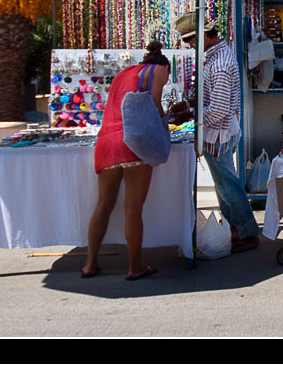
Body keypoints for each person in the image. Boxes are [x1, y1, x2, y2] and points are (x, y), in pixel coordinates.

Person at [83, 41, 171, 280]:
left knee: (104, 204)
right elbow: (154, 104)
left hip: (106, 142)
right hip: (132, 143)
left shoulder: (123, 73)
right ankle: (135, 266)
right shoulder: (158, 70)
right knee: (133, 208)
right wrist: (167, 119)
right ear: (166, 66)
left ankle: (90, 263)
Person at [169, 26, 259, 253]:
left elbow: (219, 109)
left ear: (207, 36)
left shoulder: (219, 64)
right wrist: (190, 105)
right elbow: (211, 99)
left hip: (218, 133)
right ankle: (236, 230)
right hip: (218, 132)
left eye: (192, 41)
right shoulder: (216, 57)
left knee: (228, 187)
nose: (190, 45)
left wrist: (190, 114)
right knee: (224, 186)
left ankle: (247, 232)